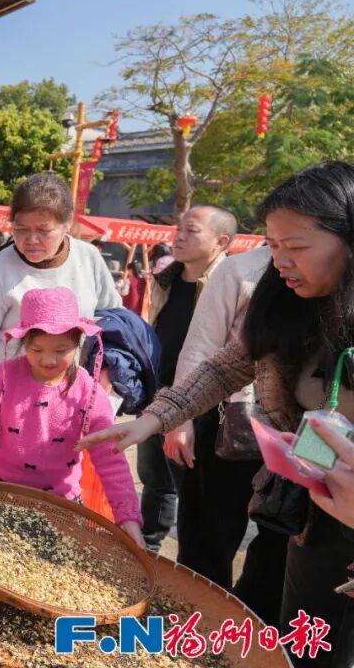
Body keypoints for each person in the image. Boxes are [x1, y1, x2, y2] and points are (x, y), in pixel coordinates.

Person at [80, 161, 354, 668]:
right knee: (302, 638)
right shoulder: (284, 298)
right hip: (311, 510)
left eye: (295, 247)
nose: (280, 262)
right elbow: (228, 364)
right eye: (272, 245)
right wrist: (156, 419)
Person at [0, 287, 145, 548]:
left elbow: (110, 457)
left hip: (58, 505)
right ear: (24, 342)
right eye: (36, 350)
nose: (48, 360)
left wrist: (127, 516)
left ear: (78, 343)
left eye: (61, 350)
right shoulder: (3, 377)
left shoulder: (89, 392)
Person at [162, 244, 286, 622]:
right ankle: (196, 622)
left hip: (296, 437)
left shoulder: (332, 271)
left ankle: (251, 629)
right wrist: (179, 419)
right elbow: (203, 349)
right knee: (210, 535)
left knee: (279, 543)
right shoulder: (240, 269)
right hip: (225, 422)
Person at [0, 172, 121, 426]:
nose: (31, 240)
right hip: (9, 406)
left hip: (71, 407)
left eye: (43, 230)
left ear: (67, 224)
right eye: (21, 229)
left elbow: (115, 323)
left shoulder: (89, 259)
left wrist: (106, 386)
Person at [138, 206, 236, 553]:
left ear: (221, 241)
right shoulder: (165, 279)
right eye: (178, 228)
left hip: (203, 407)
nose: (178, 237)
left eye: (191, 231)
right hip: (158, 397)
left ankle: (192, 571)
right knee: (154, 481)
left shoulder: (232, 286)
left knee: (196, 497)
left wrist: (189, 414)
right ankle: (147, 552)